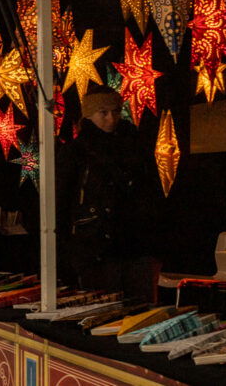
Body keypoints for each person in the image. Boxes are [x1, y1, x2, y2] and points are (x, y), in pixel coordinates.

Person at [57, 88, 162, 299]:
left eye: (115, 111)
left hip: (134, 243)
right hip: (95, 246)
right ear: (89, 115)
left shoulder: (134, 145)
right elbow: (63, 199)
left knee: (140, 306)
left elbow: (150, 190)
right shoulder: (77, 151)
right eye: (103, 113)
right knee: (104, 307)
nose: (111, 118)